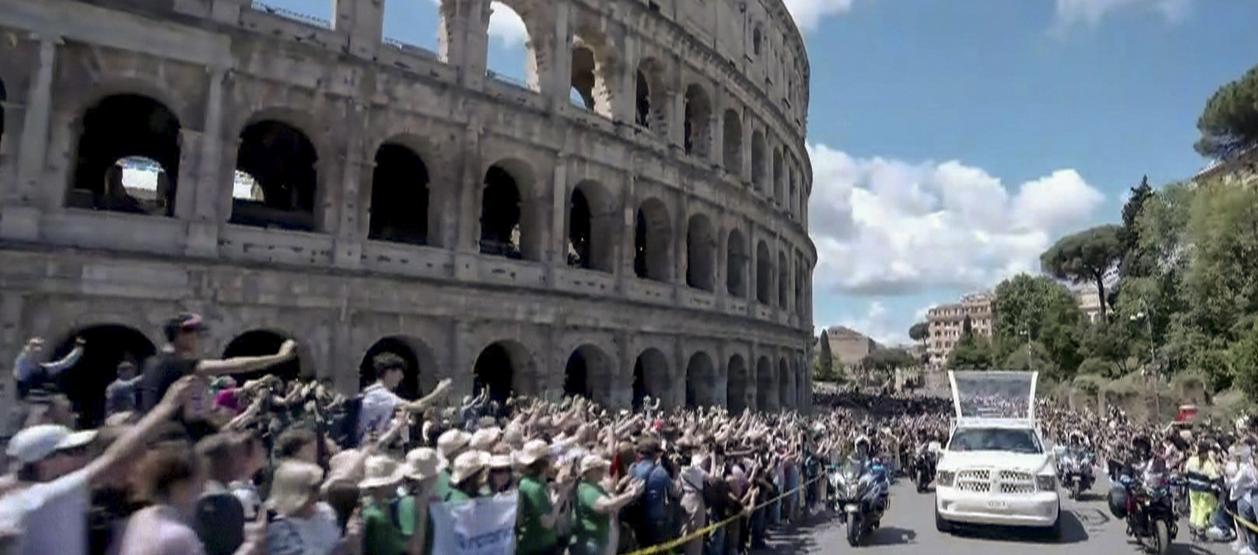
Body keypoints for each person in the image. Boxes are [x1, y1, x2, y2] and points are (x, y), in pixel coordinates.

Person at [0, 376, 197, 555]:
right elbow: (113, 458)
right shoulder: (41, 499)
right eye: (74, 451)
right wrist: (165, 408)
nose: (85, 455)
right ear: (44, 465)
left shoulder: (25, 498)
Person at [138, 313, 297, 425]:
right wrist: (280, 357)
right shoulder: (179, 364)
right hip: (172, 441)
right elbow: (235, 365)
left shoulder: (151, 363)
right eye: (196, 334)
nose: (198, 340)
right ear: (182, 334)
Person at [116, 444, 265, 555]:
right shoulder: (178, 536)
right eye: (199, 482)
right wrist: (251, 546)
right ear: (180, 486)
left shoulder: (139, 519)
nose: (202, 489)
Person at [266, 460, 359, 555]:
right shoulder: (281, 529)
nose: (320, 490)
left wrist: (349, 542)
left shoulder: (326, 512)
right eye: (315, 487)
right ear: (297, 491)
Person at [357, 353, 453, 444]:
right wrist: (439, 391)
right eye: (399, 373)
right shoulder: (382, 395)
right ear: (389, 372)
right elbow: (418, 406)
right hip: (366, 446)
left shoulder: (371, 392)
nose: (402, 377)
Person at [570, 455, 642, 555]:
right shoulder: (587, 490)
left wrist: (627, 491)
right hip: (591, 543)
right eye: (600, 468)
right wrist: (631, 494)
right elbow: (605, 506)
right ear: (591, 471)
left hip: (597, 541)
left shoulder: (595, 487)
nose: (603, 471)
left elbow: (613, 501)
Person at [517, 440, 569, 555]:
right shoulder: (534, 487)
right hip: (538, 548)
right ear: (543, 462)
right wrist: (560, 501)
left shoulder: (535, 482)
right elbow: (547, 523)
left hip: (542, 545)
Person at [630, 438, 679, 550]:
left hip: (637, 521)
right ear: (655, 454)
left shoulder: (632, 469)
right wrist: (676, 473)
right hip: (656, 522)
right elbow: (675, 491)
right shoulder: (660, 472)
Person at [13, 336, 84, 399]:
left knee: (60, 366)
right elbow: (28, 353)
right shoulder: (23, 363)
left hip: (35, 383)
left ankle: (78, 349)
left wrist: (78, 348)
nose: (37, 351)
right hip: (28, 384)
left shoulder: (38, 368)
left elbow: (64, 363)